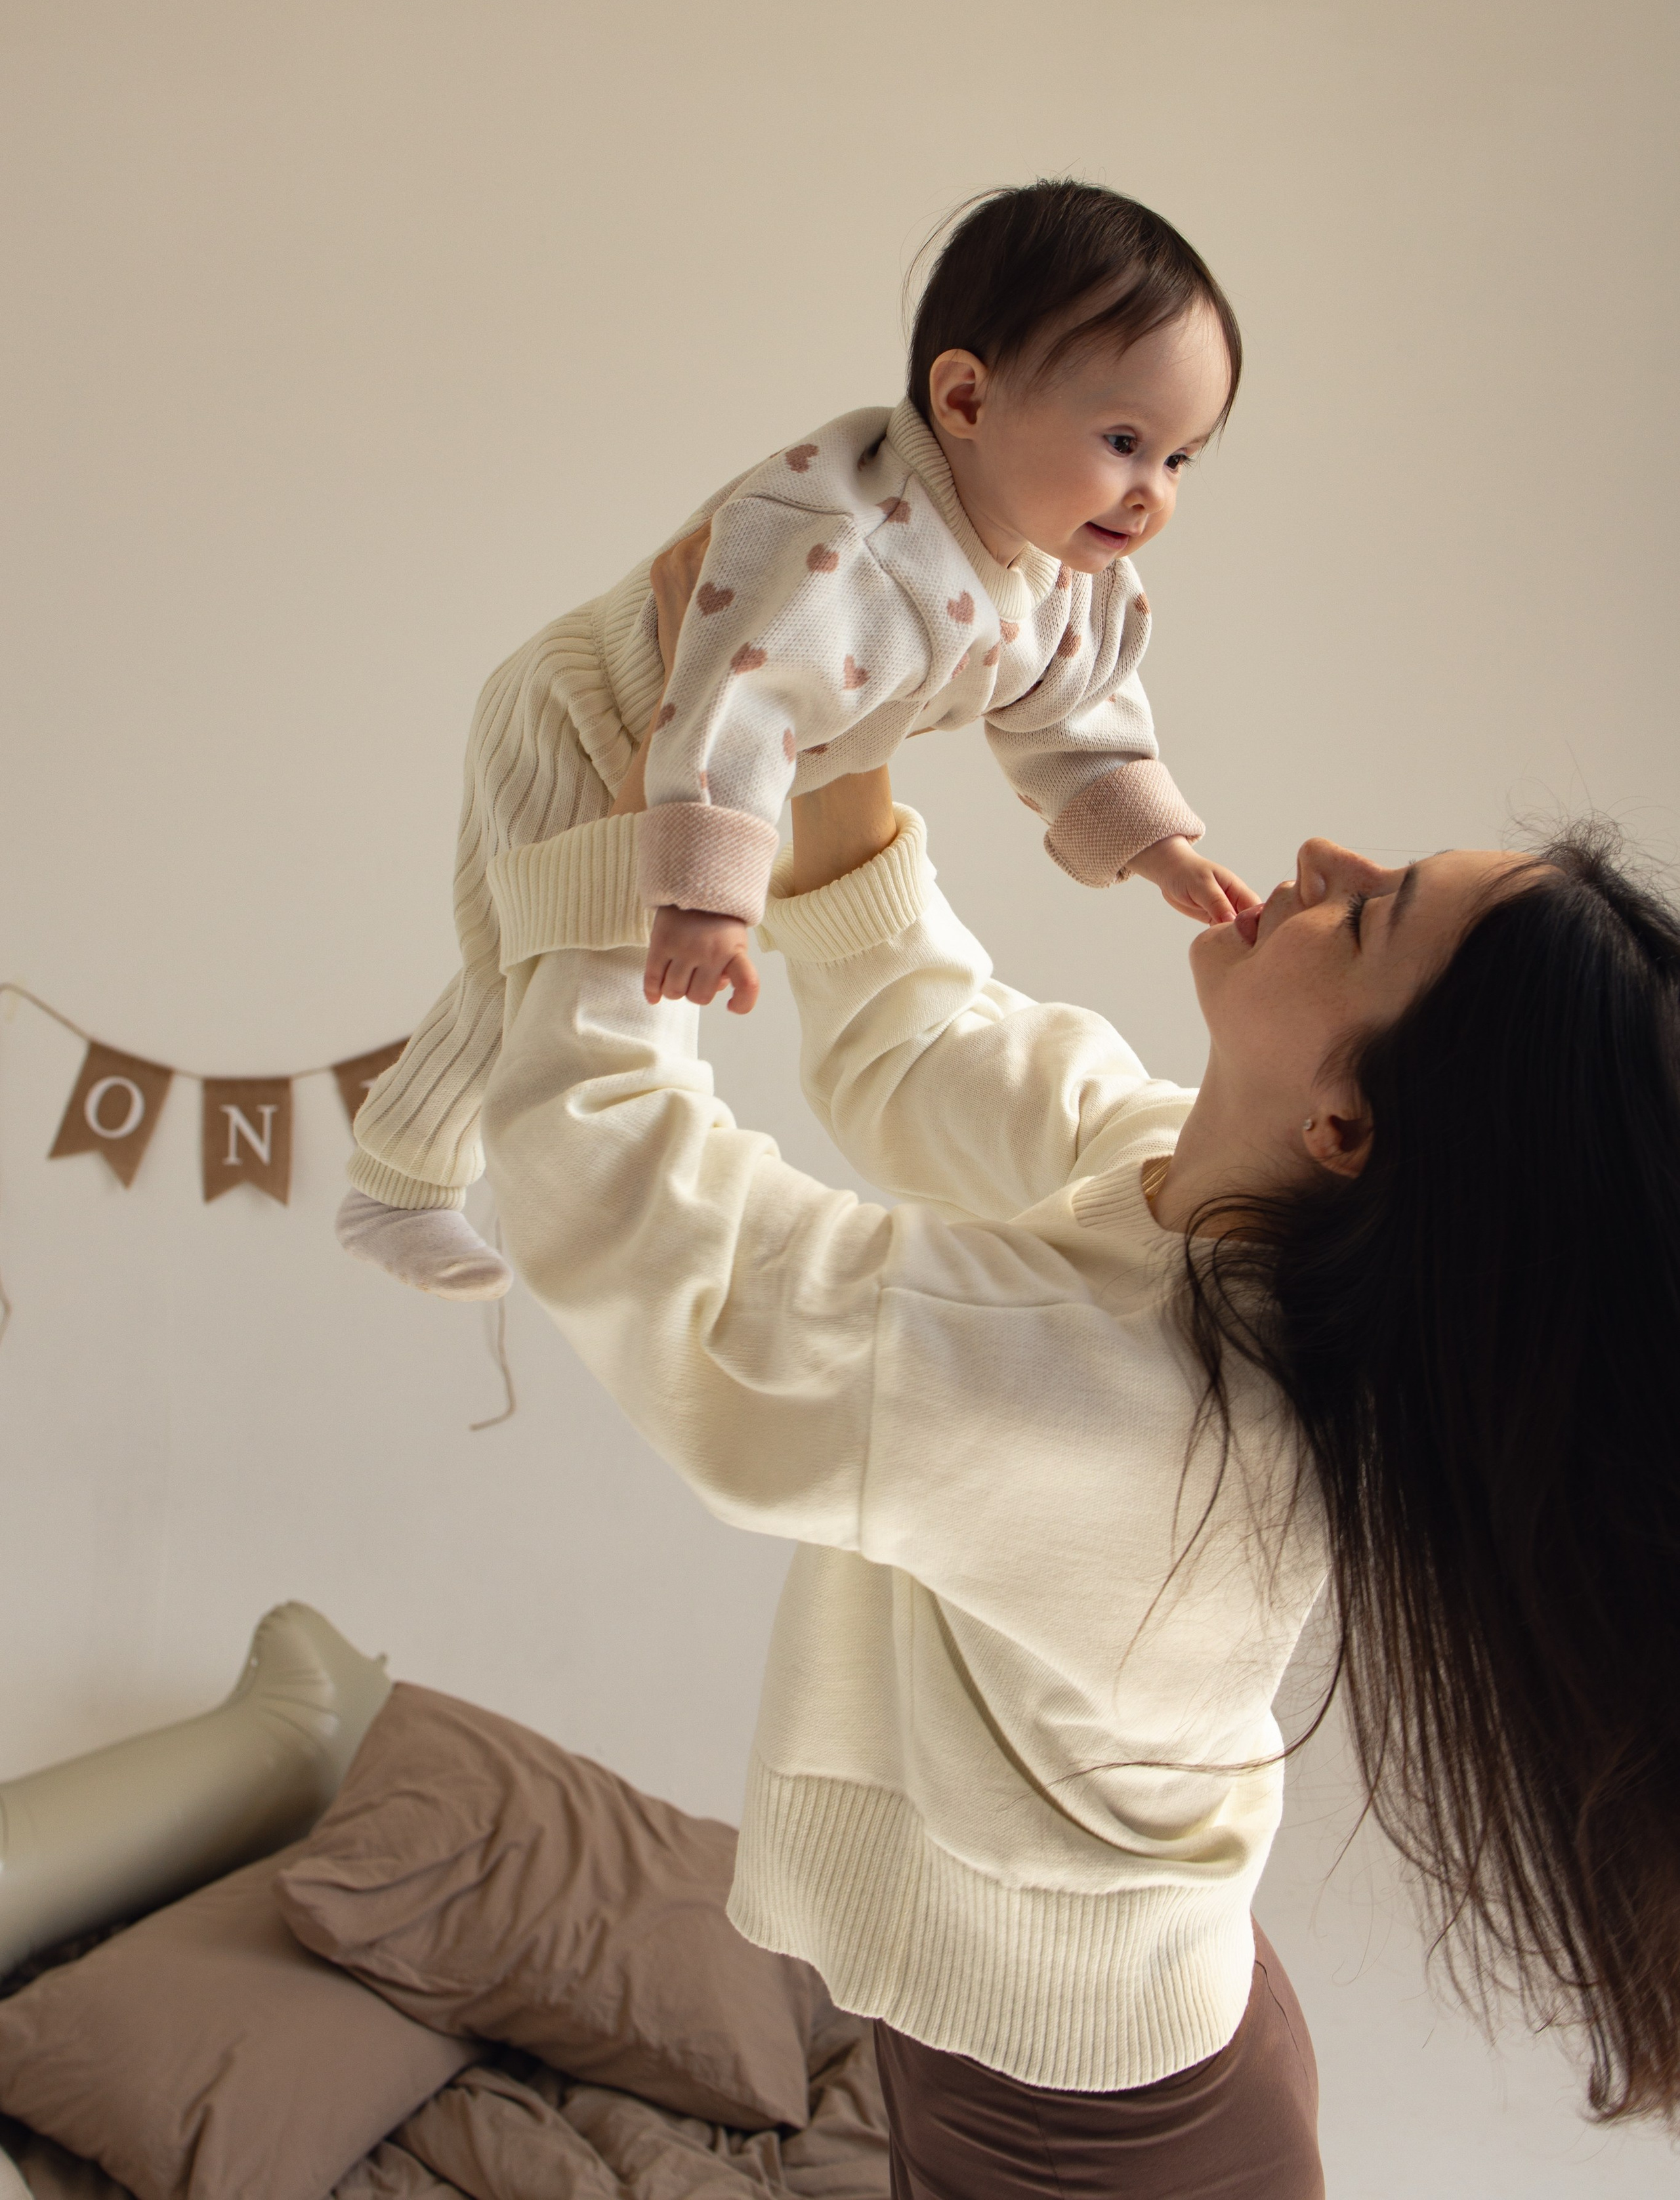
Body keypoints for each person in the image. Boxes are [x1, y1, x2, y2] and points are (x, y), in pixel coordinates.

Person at [471, 547, 1680, 2194]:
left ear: (1347, 1125)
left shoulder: (1125, 1421)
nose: (1320, 852)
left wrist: (652, 852)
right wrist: (834, 700)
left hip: (1102, 2142)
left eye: (1367, 908)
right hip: (1103, 2045)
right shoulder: (1204, 1209)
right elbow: (919, 1043)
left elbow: (653, 1239)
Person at [336, 180, 1259, 1301]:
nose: (1151, 492)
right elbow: (744, 698)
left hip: (732, 768)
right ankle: (398, 1183)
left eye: (1179, 459)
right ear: (965, 398)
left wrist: (1153, 841)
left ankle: (396, 1178)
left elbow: (1073, 711)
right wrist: (708, 899)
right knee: (534, 953)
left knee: (522, 957)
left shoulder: (1065, 572)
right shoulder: (846, 542)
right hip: (595, 709)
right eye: (1124, 440)